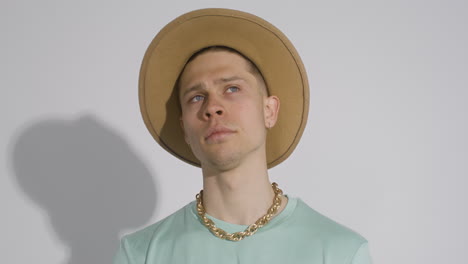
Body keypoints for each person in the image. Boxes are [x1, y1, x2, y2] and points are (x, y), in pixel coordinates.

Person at [114, 8, 372, 264]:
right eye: (197, 97)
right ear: (184, 129)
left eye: (232, 88)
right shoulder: (141, 254)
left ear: (269, 110)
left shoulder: (340, 252)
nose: (213, 107)